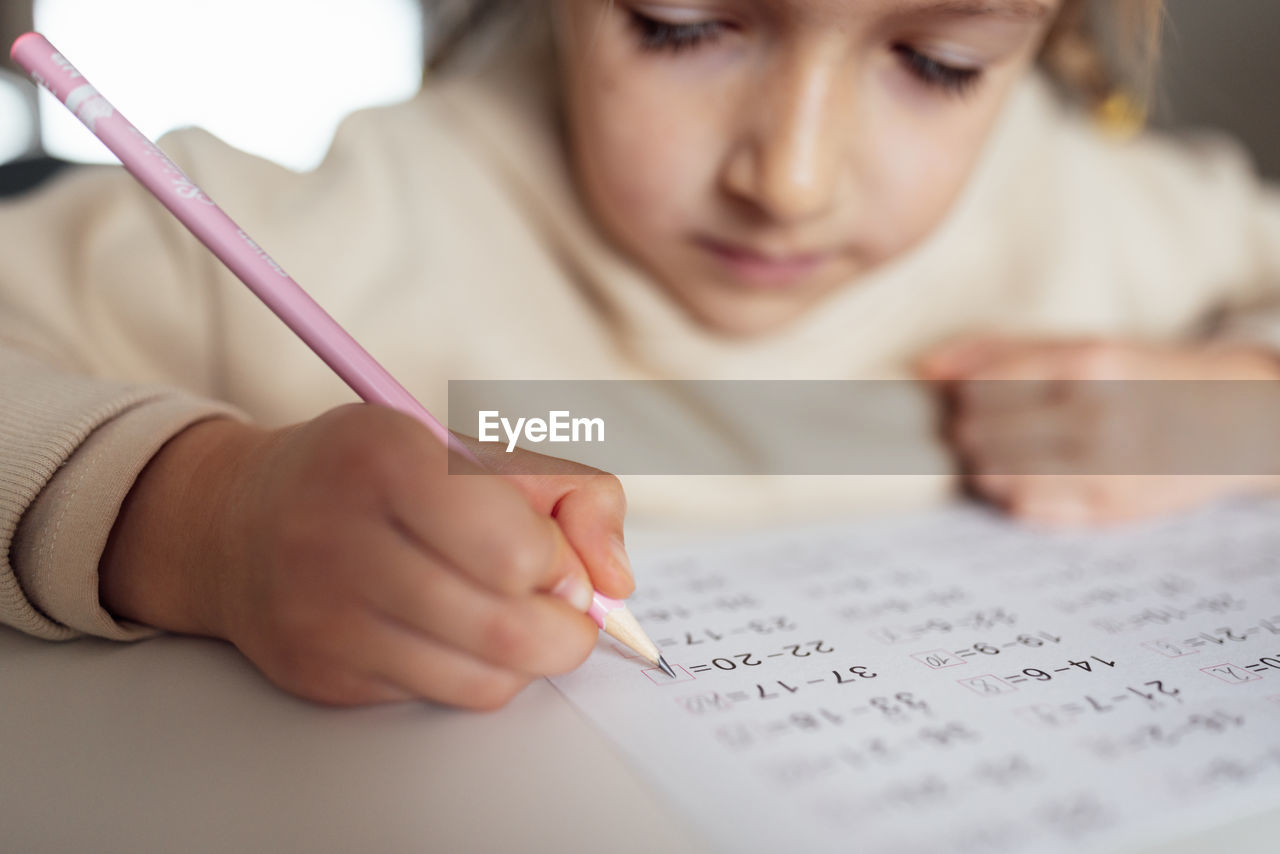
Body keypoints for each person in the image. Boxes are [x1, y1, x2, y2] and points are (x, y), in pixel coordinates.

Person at [1, 0, 1277, 708]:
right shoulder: (329, 226)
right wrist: (206, 515)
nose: (789, 178)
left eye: (935, 63)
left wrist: (1232, 412)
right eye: (680, 26)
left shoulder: (1096, 214)